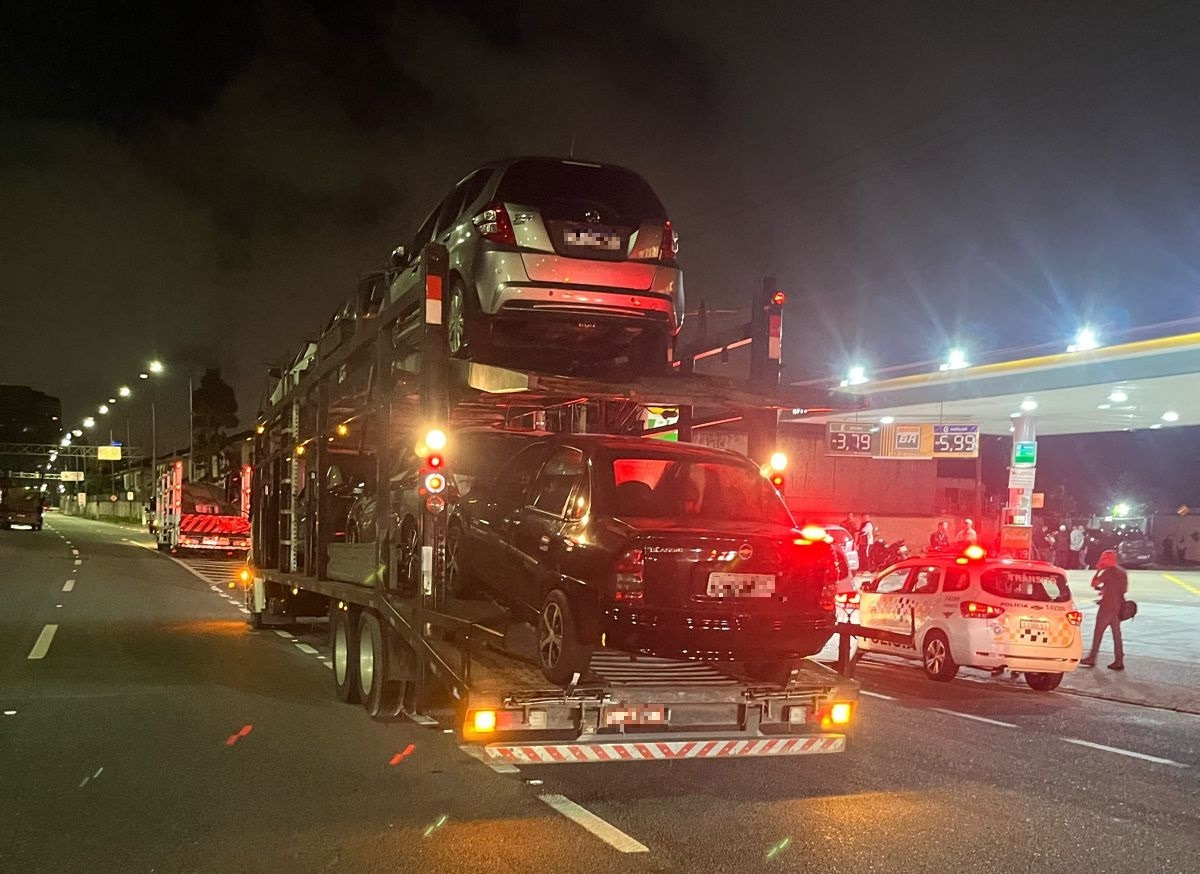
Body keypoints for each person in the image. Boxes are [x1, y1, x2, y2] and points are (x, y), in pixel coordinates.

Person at [1080, 549, 1126, 670]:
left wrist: (1099, 571)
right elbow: (1123, 590)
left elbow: (1094, 583)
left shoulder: (1107, 572)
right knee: (1117, 634)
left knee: (1098, 632)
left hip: (1106, 606)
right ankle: (1119, 659)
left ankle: (1092, 657)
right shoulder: (1122, 572)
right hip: (1118, 606)